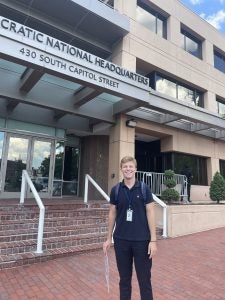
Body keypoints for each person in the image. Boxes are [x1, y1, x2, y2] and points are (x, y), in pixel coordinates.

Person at [103, 156, 157, 300]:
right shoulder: (116, 190)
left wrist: (153, 240)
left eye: (130, 166)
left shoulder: (144, 189)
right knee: (124, 281)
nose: (128, 169)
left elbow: (151, 212)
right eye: (125, 166)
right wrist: (108, 238)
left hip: (142, 242)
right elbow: (112, 213)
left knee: (144, 281)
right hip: (121, 241)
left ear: (135, 169)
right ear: (121, 169)